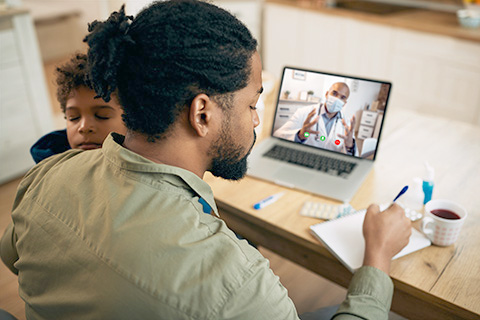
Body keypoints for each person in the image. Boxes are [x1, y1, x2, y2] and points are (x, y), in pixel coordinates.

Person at [0, 1, 411, 319]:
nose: (256, 119)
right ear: (202, 114)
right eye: (253, 103)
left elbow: (13, 255)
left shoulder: (45, 177)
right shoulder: (238, 286)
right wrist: (376, 257)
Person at [30, 53, 127, 163]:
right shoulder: (47, 171)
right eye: (73, 117)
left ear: (132, 120)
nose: (84, 127)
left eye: (102, 116)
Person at [274, 82, 357, 155]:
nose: (337, 99)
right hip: (304, 158)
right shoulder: (304, 112)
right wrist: (299, 136)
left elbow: (351, 157)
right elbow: (277, 135)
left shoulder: (347, 124)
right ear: (327, 94)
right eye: (334, 93)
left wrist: (350, 147)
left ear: (344, 103)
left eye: (342, 97)